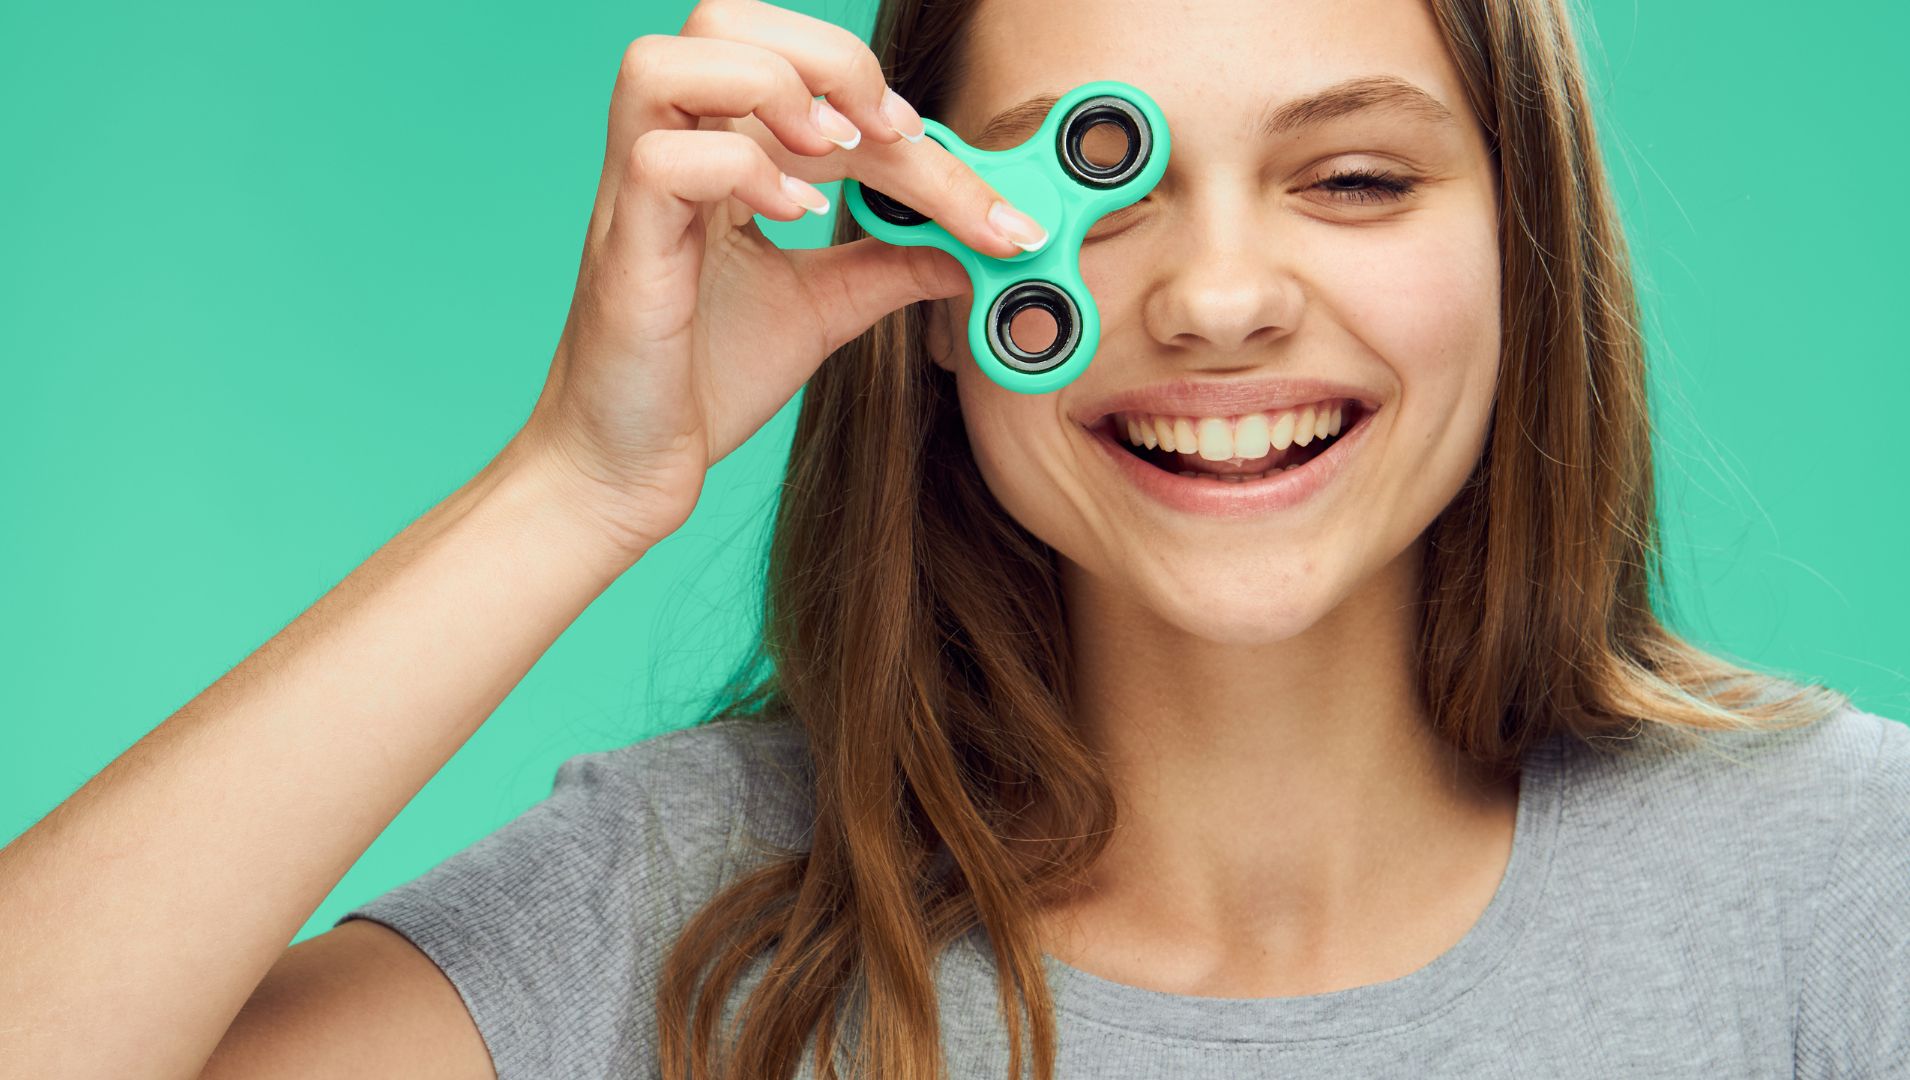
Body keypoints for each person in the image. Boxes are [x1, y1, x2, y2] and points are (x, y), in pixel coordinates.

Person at [2, 0, 1904, 1077]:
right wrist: (578, 481)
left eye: (1350, 176)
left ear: (1520, 251)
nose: (1218, 299)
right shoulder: (683, 922)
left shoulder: (1838, 886)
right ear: (923, 277)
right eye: (1100, 176)